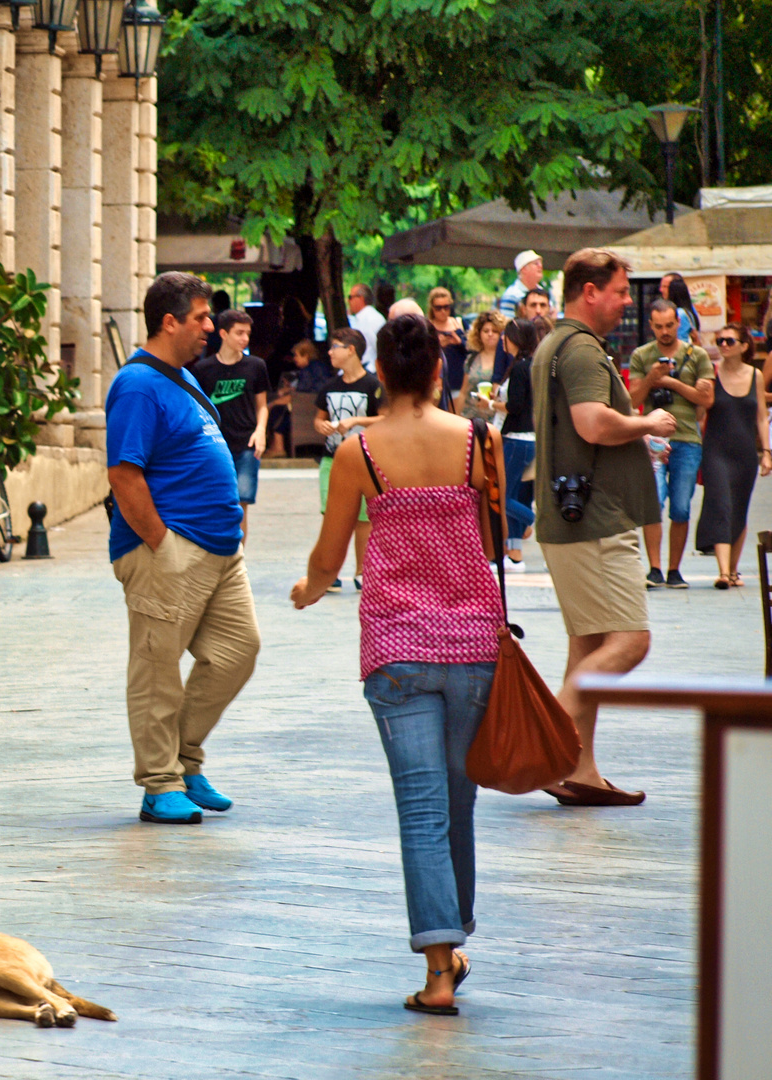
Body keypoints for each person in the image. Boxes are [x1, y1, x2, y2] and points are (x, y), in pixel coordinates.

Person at [290, 313, 505, 1018]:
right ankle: (454, 936)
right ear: (437, 371)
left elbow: (328, 556)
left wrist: (306, 589)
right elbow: (491, 535)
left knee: (420, 810)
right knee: (458, 798)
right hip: (473, 642)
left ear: (378, 373)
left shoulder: (360, 453)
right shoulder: (479, 442)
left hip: (396, 648)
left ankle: (440, 967)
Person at [106, 272, 260, 825]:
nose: (210, 327)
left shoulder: (184, 379)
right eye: (200, 318)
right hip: (169, 551)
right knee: (157, 669)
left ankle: (185, 759)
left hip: (220, 553)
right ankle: (160, 782)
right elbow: (124, 473)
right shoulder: (139, 385)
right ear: (169, 321)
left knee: (237, 652)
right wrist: (160, 544)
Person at [533, 248, 676, 807]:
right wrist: (647, 421)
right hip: (594, 519)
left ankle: (580, 770)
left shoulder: (556, 343)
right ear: (589, 291)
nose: (625, 302)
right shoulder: (582, 351)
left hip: (572, 515)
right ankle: (547, 742)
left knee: (587, 644)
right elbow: (592, 423)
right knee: (630, 641)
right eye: (619, 291)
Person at [628, 298, 715, 589]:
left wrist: (673, 383)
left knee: (680, 507)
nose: (665, 332)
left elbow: (707, 399)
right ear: (651, 325)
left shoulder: (698, 354)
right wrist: (653, 377)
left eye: (669, 325)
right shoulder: (642, 355)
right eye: (659, 326)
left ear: (678, 323)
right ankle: (654, 569)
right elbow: (633, 401)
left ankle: (674, 570)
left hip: (687, 438)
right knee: (653, 503)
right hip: (652, 438)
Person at [695, 323, 772, 587]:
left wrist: (766, 452)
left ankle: (734, 570)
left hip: (745, 454)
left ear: (744, 345)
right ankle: (724, 572)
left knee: (739, 509)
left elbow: (762, 418)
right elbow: (699, 414)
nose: (724, 345)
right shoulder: (711, 374)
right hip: (715, 450)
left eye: (729, 341)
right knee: (721, 504)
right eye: (720, 342)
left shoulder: (756, 376)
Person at [192, 309, 271, 541]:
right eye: (239, 333)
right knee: (215, 501)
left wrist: (261, 431)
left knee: (240, 503)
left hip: (247, 442)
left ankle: (237, 559)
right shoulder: (202, 369)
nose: (244, 338)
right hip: (216, 444)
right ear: (224, 334)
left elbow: (262, 405)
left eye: (247, 333)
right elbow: (199, 411)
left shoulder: (256, 366)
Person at [317, 328, 384, 591]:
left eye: (335, 347)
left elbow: (386, 417)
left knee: (363, 518)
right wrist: (321, 426)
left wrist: (356, 420)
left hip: (365, 459)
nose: (331, 352)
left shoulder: (373, 385)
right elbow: (319, 417)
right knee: (331, 514)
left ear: (351, 350)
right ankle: (330, 571)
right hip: (332, 457)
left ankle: (362, 571)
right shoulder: (329, 385)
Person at [480, 318, 541, 567]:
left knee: (502, 495)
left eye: (505, 335)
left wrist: (491, 404)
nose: (501, 340)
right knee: (512, 492)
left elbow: (515, 406)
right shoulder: (524, 366)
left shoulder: (519, 368)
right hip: (524, 439)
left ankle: (531, 521)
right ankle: (511, 548)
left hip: (517, 439)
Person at [456, 311, 505, 424]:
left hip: (495, 421)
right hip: (469, 419)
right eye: (486, 331)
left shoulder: (505, 361)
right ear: (479, 334)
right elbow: (463, 392)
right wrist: (457, 417)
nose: (490, 334)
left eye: (495, 331)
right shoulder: (472, 359)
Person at [427, 287, 468, 390]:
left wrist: (459, 342)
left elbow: (473, 349)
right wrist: (438, 345)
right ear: (432, 308)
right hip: (437, 382)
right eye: (438, 308)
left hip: (459, 380)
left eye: (446, 307)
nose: (443, 311)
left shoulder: (459, 323)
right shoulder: (427, 327)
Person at [348, 283, 386, 373]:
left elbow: (380, 347)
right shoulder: (360, 318)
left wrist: (371, 369)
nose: (348, 301)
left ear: (360, 298)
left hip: (370, 370)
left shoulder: (372, 318)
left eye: (350, 297)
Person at [659, 273, 701, 346]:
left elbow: (680, 341)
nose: (661, 290)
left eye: (665, 287)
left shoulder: (680, 313)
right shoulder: (690, 309)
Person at [498, 250, 544, 317]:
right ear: (524, 269)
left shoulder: (543, 293)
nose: (540, 266)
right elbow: (507, 324)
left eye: (540, 263)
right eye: (536, 263)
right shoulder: (511, 295)